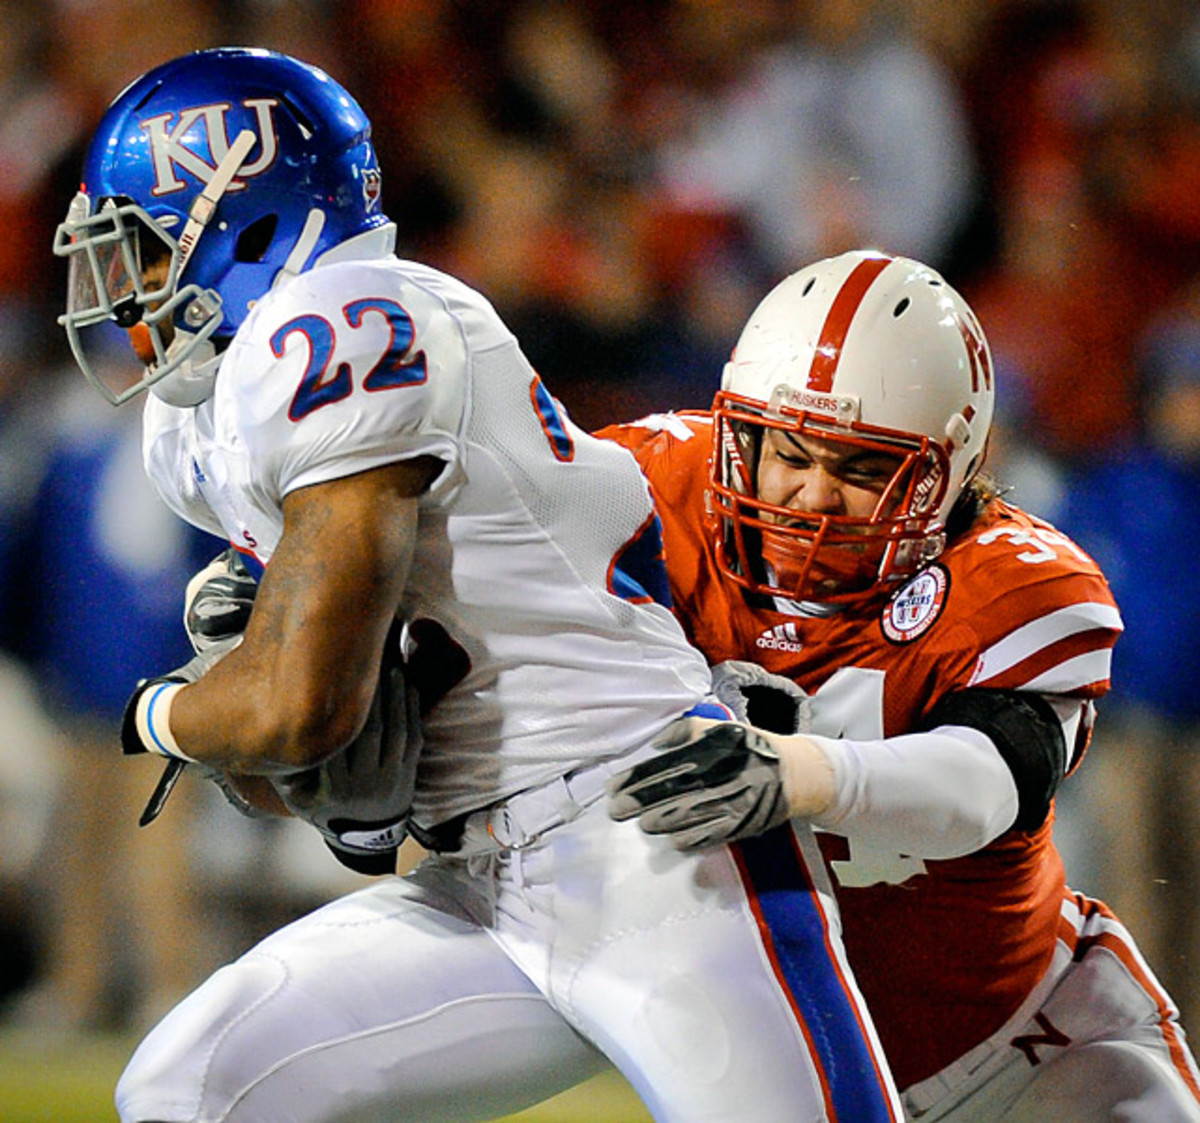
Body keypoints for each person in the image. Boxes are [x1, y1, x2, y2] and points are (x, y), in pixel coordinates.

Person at [52, 48, 902, 1123]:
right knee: (191, 1084)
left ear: (243, 216)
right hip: (479, 886)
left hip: (653, 839)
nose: (125, 281)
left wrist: (160, 713)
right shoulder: (219, 410)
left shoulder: (345, 321)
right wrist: (301, 773)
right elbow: (314, 761)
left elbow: (296, 705)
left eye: (143, 241)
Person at [597, 249, 1200, 1122]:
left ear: (945, 471)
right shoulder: (651, 490)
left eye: (861, 469)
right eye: (790, 453)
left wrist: (803, 773)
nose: (810, 495)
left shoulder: (1011, 580)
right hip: (781, 1069)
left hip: (1022, 1049)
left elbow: (989, 783)